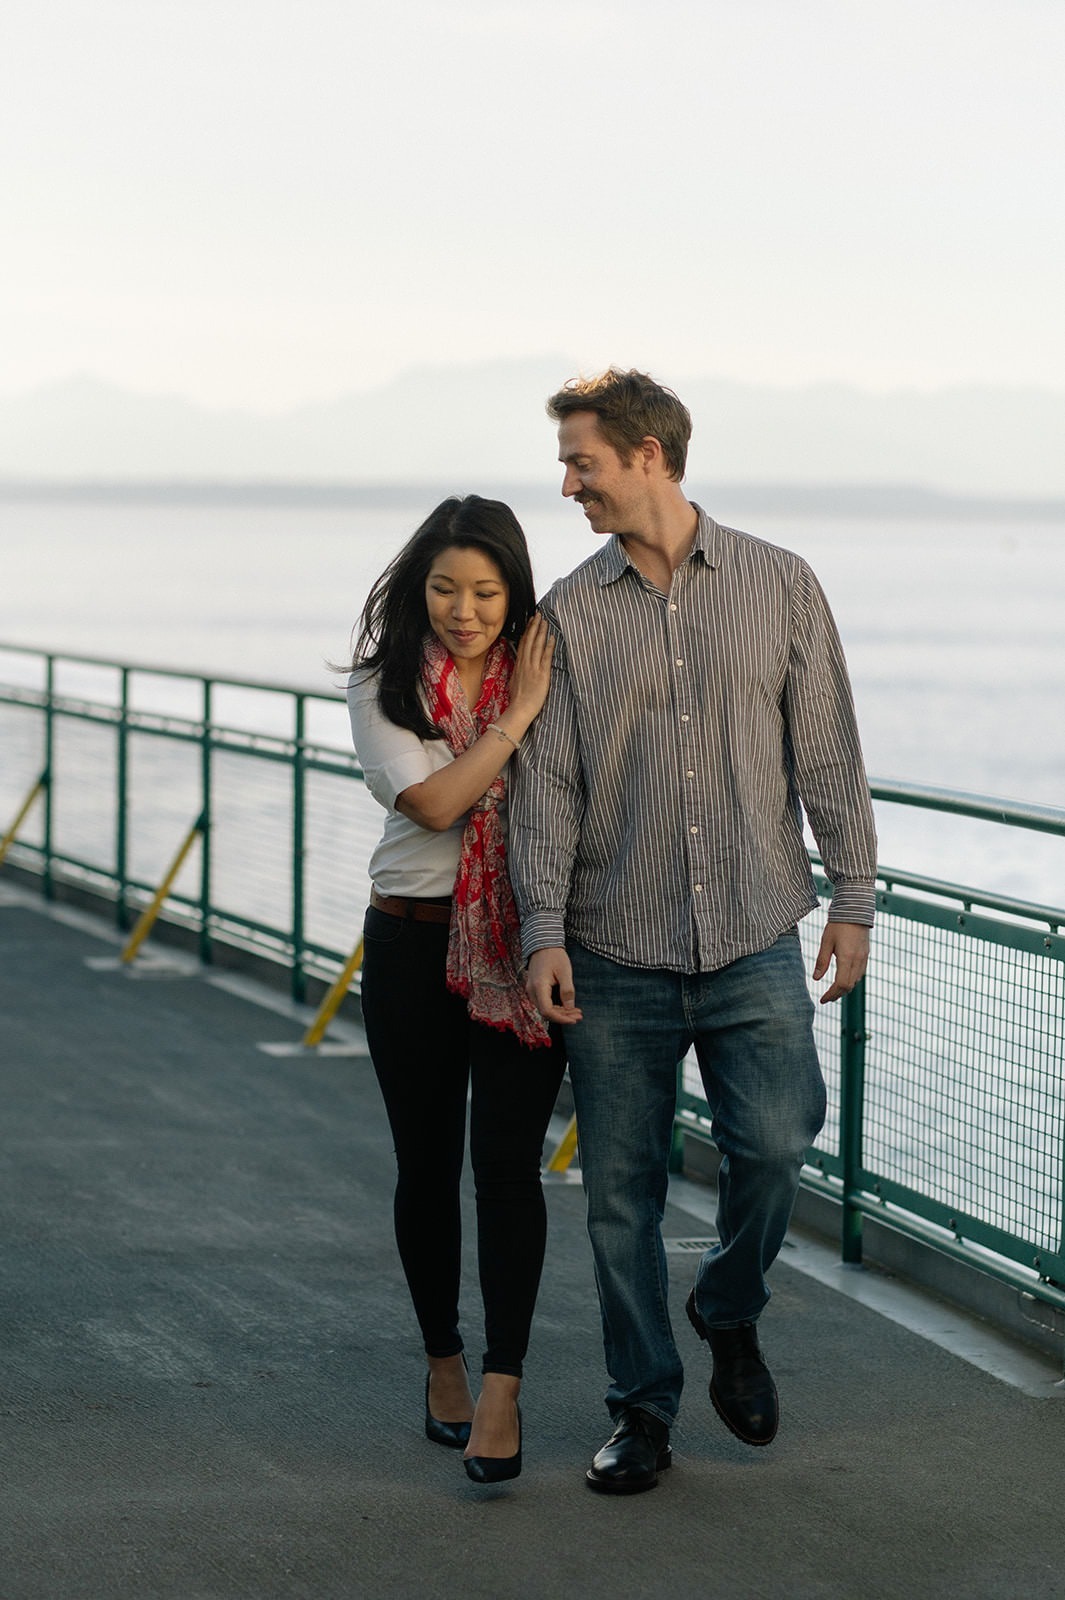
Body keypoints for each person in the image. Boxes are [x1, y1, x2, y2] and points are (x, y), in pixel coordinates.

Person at [509, 368, 877, 1494]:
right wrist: (543, 929)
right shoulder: (568, 610)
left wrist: (854, 896)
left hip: (756, 930)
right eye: (567, 462)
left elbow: (826, 751)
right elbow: (548, 786)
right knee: (619, 1196)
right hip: (613, 947)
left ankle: (727, 1305)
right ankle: (643, 1409)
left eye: (583, 461)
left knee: (776, 1137)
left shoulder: (781, 584)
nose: (565, 482)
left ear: (651, 455)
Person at [346, 494, 565, 1485]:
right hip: (411, 946)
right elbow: (433, 801)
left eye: (484, 590)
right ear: (416, 587)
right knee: (427, 1165)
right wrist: (516, 718)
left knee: (508, 1171)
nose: (464, 610)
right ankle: (444, 1358)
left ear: (512, 589)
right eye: (444, 587)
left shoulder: (555, 667)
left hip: (523, 947)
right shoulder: (383, 681)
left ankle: (504, 1387)